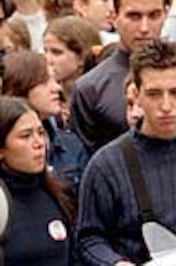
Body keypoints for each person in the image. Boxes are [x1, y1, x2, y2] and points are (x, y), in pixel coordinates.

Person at [77, 39, 176, 266]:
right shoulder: (107, 164)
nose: (166, 105)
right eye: (154, 94)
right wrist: (115, 263)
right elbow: (89, 238)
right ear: (136, 95)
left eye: (175, 92)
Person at [70, 0, 168, 152]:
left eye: (154, 15)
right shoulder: (90, 88)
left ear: (166, 15)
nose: (144, 28)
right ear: (114, 16)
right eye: (134, 16)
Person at [0, 97, 76, 265]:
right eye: (25, 136)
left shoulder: (59, 194)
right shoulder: (3, 205)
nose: (39, 143)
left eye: (41, 133)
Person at [2, 50, 89, 189]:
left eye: (55, 79)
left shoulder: (71, 145)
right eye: (44, 82)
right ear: (19, 87)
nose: (57, 88)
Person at [43, 16, 101, 120]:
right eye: (45, 51)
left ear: (82, 58)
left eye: (57, 52)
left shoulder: (98, 100)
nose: (47, 59)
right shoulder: (43, 99)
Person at [43, 0, 117, 45]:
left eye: (114, 0)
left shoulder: (115, 42)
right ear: (81, 6)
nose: (112, 8)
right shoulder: (51, 43)